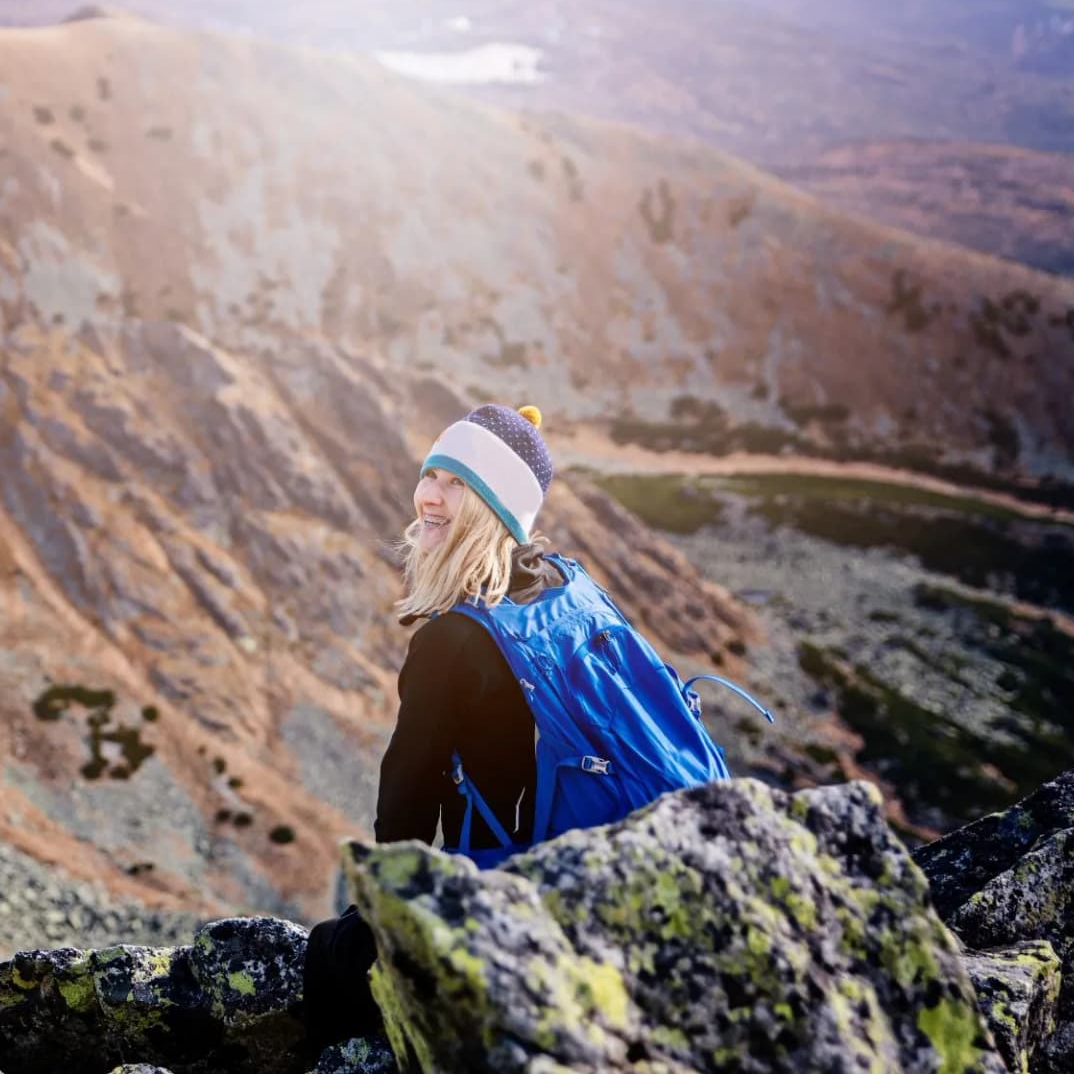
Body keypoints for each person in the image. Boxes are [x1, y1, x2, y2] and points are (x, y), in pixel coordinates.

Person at [301, 402, 762, 1047]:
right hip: (627, 858)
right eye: (431, 474)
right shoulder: (565, 584)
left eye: (457, 484)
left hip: (525, 892)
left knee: (327, 960)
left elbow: (407, 796)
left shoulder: (451, 642)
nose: (428, 497)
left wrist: (376, 913)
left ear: (495, 507)